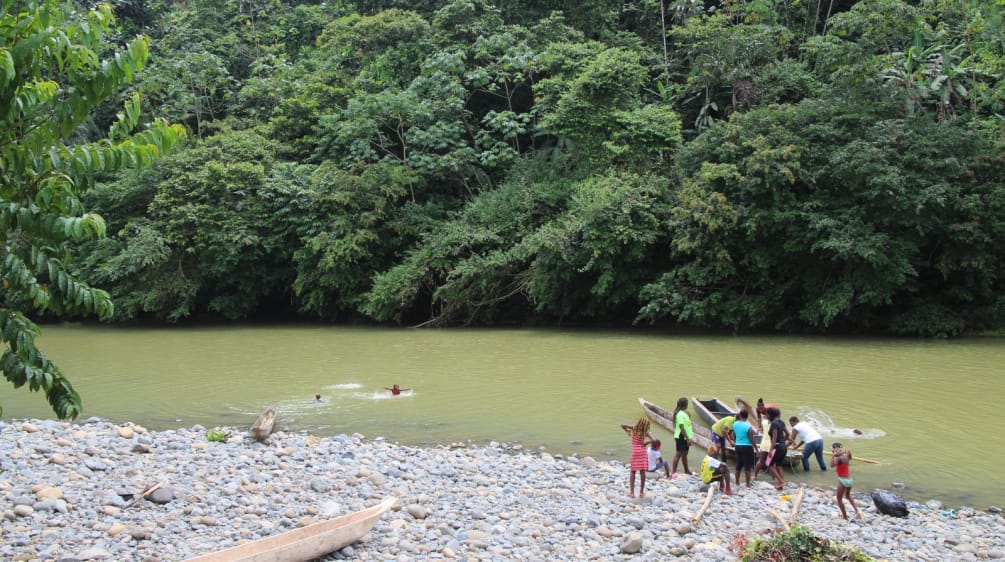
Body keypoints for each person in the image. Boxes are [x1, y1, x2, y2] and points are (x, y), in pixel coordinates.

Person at [621, 418, 655, 498]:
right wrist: (647, 443)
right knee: (642, 472)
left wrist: (628, 431)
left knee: (633, 472)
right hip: (642, 452)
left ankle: (632, 493)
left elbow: (622, 425)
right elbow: (654, 440)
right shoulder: (646, 432)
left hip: (635, 452)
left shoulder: (634, 428)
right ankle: (641, 492)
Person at [831, 442, 863, 520]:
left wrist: (833, 456)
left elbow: (832, 465)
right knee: (848, 496)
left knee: (839, 499)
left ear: (835, 449)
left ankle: (845, 517)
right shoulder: (846, 455)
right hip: (849, 479)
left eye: (832, 448)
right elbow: (849, 457)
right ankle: (857, 511)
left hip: (843, 480)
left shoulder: (838, 458)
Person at [732, 410, 758, 489]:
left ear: (740, 416)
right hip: (747, 447)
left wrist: (736, 441)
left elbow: (734, 434)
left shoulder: (735, 424)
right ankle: (747, 484)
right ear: (747, 417)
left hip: (738, 446)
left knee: (739, 464)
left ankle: (737, 482)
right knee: (747, 466)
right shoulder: (748, 426)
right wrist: (756, 449)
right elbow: (751, 438)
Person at [765, 406, 788, 490]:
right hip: (783, 446)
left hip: (777, 446)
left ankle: (781, 482)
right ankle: (780, 485)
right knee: (779, 465)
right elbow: (788, 434)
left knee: (769, 464)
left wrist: (770, 450)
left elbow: (774, 437)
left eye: (767, 414)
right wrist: (782, 442)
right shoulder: (781, 422)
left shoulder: (774, 423)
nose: (766, 416)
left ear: (771, 415)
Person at [671, 397, 694, 477]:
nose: (688, 405)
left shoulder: (683, 413)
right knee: (678, 454)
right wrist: (687, 438)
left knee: (684, 455)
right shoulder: (680, 414)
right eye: (687, 403)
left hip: (685, 436)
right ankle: (673, 472)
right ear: (685, 404)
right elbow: (681, 427)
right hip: (681, 436)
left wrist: (689, 437)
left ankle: (686, 470)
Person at [752, 401, 772, 480]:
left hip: (765, 443)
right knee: (768, 462)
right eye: (759, 409)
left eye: (761, 409)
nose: (760, 410)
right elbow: (759, 418)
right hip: (767, 443)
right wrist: (759, 427)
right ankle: (756, 476)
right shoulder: (758, 411)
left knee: (763, 460)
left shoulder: (769, 410)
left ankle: (756, 476)